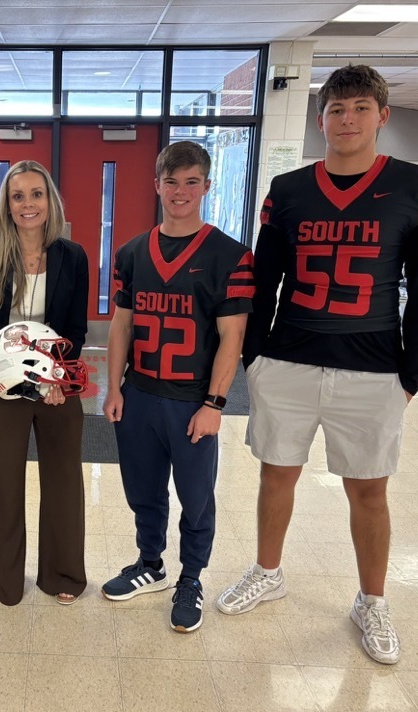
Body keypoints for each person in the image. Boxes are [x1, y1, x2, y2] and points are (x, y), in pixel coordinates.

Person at [216, 65, 418, 665]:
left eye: (360, 109)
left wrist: (411, 376)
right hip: (290, 358)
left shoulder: (416, 184)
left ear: (382, 116)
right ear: (321, 118)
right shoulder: (288, 190)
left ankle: (372, 600)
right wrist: (255, 358)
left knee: (369, 490)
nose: (347, 120)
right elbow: (264, 279)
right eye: (337, 110)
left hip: (372, 363)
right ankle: (269, 571)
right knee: (276, 475)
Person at [101, 141, 254, 633]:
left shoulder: (229, 255)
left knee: (196, 495)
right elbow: (121, 326)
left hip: (192, 399)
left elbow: (233, 336)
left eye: (192, 182)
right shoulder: (130, 252)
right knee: (143, 491)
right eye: (172, 181)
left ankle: (191, 576)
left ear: (207, 186)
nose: (181, 191)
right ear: (157, 185)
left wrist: (215, 403)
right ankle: (151, 563)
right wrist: (114, 387)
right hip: (141, 392)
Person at [0, 160, 89, 606]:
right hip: (1, 386)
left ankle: (63, 576)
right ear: (7, 204)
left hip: (56, 386)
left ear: (49, 200)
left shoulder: (72, 256)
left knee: (63, 482)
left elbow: (76, 327)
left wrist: (56, 376)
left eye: (36, 194)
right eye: (18, 196)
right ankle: (7, 583)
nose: (28, 204)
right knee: (1, 485)